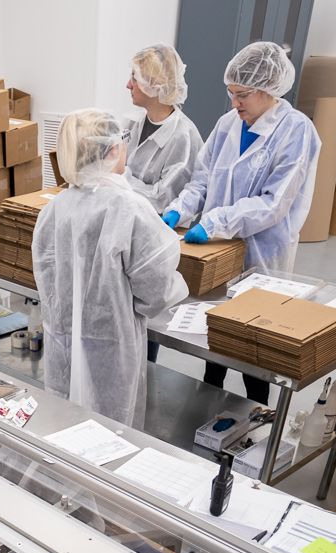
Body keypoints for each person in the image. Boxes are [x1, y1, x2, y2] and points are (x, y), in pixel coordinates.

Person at [164, 41, 321, 403]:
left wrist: (216, 221)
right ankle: (208, 401)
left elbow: (273, 204)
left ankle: (259, 414)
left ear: (269, 90)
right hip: (218, 250)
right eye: (231, 94)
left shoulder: (296, 131)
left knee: (253, 344)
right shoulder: (226, 124)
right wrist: (179, 209)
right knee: (215, 333)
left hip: (263, 251)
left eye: (243, 95)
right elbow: (202, 179)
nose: (235, 104)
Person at [32, 109, 188, 428]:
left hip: (62, 346)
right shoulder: (128, 207)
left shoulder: (54, 209)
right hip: (112, 350)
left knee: (64, 427)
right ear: (113, 149)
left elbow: (46, 279)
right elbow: (156, 289)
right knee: (110, 432)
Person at [124, 43, 202, 364]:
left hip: (152, 244)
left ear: (154, 86)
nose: (128, 84)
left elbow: (163, 198)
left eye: (134, 77)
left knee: (146, 326)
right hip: (125, 235)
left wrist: (118, 184)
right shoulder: (132, 124)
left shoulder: (183, 136)